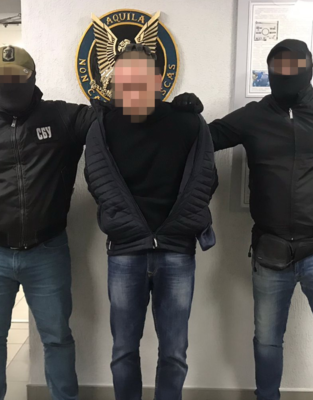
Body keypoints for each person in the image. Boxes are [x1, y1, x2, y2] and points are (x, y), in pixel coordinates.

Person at [0, 45, 199, 400]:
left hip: (46, 249)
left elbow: (113, 118)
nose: (10, 83)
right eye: (2, 77)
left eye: (18, 77)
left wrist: (175, 108)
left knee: (57, 338)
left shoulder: (60, 118)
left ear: (33, 78)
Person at [174, 39, 313, 400]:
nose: (286, 75)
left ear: (309, 69)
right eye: (279, 68)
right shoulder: (253, 117)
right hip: (270, 251)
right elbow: (202, 140)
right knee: (267, 340)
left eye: (294, 67)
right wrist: (183, 116)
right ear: (269, 72)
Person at [84, 44, 218, 400]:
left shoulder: (188, 122)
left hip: (176, 251)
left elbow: (206, 177)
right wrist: (125, 224)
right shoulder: (104, 125)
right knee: (123, 351)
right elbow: (95, 178)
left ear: (158, 80)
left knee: (174, 353)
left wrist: (180, 225)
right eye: (124, 82)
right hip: (125, 251)